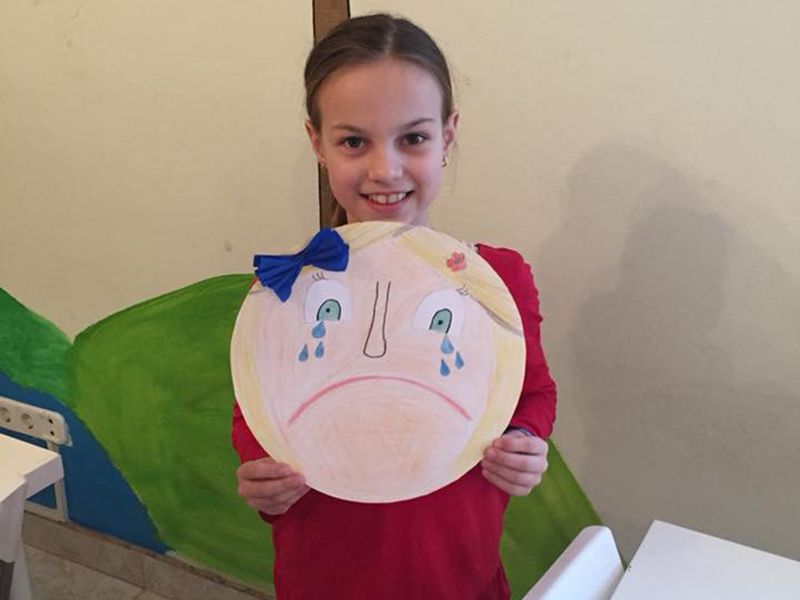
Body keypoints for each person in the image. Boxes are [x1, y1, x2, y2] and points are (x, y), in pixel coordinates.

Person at [232, 13, 556, 600]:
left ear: (447, 136)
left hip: (458, 577)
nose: (385, 170)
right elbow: (258, 407)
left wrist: (525, 442)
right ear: (317, 143)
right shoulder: (289, 289)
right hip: (325, 580)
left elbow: (532, 391)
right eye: (354, 141)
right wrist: (264, 477)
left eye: (413, 138)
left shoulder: (497, 281)